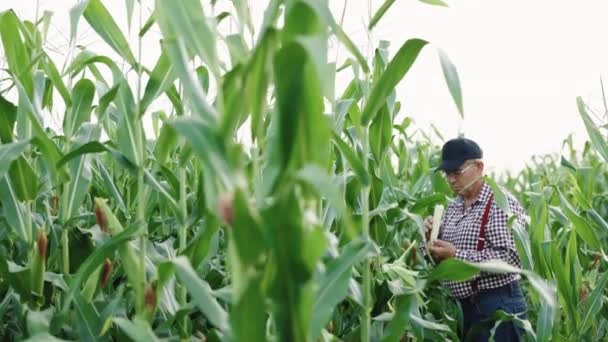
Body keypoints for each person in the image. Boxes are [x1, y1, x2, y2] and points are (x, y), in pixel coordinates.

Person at [422, 137, 528, 341]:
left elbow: (511, 259)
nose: (451, 180)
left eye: (457, 172)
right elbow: (438, 259)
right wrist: (429, 239)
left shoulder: (499, 203)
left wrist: (456, 254)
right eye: (447, 174)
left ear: (479, 167)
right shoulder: (454, 206)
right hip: (464, 310)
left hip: (497, 307)